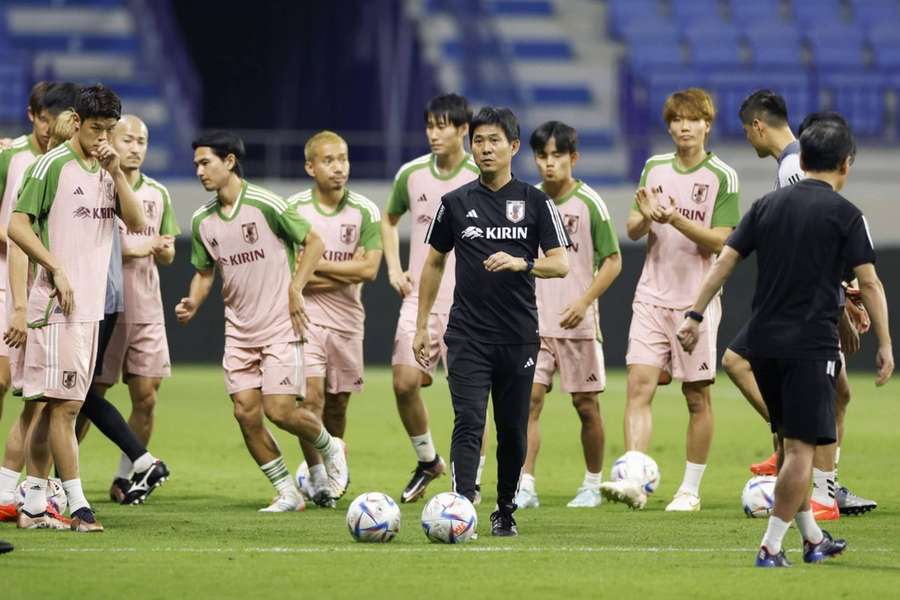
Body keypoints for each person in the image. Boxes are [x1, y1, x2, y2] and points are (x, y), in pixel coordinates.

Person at [677, 112, 893, 567]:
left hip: (762, 346)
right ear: (845, 164)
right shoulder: (845, 215)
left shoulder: (766, 206)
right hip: (808, 348)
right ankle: (771, 546)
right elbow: (870, 284)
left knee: (786, 444)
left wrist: (695, 314)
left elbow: (724, 262)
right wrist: (887, 346)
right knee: (800, 452)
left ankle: (813, 539)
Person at [414, 106, 570, 537]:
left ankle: (505, 508)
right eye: (478, 141)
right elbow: (432, 263)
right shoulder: (455, 203)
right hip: (466, 335)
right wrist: (422, 324)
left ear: (514, 147)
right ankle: (462, 507)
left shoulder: (536, 202)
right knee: (468, 420)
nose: (484, 148)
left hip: (518, 337)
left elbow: (560, 265)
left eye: (494, 141)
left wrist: (522, 263)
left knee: (513, 430)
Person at [176, 130, 348, 511]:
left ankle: (329, 445)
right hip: (238, 332)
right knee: (245, 413)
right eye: (196, 165)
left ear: (230, 162)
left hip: (280, 327)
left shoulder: (265, 204)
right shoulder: (203, 220)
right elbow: (205, 272)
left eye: (206, 163)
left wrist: (296, 287)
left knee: (280, 410)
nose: (200, 171)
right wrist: (193, 301)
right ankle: (288, 492)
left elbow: (315, 242)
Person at [733, 90, 876, 519]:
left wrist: (840, 305)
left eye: (746, 131)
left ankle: (810, 469)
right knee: (837, 392)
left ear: (758, 126)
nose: (747, 140)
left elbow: (817, 242)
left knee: (742, 362)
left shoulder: (795, 169)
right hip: (813, 303)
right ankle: (814, 475)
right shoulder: (790, 166)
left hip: (806, 307)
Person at [11, 84, 147, 532]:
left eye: (109, 129)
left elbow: (137, 222)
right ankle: (77, 503)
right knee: (62, 406)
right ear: (77, 121)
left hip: (90, 308)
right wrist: (55, 268)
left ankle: (32, 504)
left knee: (57, 407)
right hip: (55, 305)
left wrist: (119, 173)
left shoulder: (107, 170)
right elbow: (15, 225)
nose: (102, 138)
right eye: (95, 129)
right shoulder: (52, 166)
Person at [600, 88, 740, 511]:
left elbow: (723, 240)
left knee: (696, 396)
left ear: (707, 125)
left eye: (692, 119)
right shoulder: (654, 167)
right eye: (677, 119)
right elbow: (633, 228)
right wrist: (647, 216)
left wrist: (675, 217)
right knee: (638, 388)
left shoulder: (722, 176)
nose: (684, 126)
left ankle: (690, 490)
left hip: (696, 302)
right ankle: (633, 480)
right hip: (651, 297)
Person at [381, 93, 483, 504]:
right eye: (430, 125)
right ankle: (428, 460)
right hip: (422, 300)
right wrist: (392, 266)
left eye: (444, 126)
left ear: (463, 130)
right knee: (404, 382)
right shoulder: (411, 174)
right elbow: (389, 220)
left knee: (470, 399)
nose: (435, 133)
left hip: (472, 304)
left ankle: (469, 483)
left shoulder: (482, 175)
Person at [515, 121, 621, 509]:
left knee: (586, 406)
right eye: (542, 155)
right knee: (528, 402)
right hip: (534, 324)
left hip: (577, 324)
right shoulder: (527, 201)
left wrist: (583, 301)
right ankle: (525, 484)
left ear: (573, 158)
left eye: (557, 155)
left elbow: (613, 261)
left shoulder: (590, 202)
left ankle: (593, 484)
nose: (549, 163)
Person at [288, 131, 382, 506]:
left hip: (347, 319)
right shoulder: (293, 209)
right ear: (311, 167)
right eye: (329, 160)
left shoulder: (365, 210)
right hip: (305, 318)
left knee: (338, 402)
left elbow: (371, 270)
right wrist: (348, 267)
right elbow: (290, 270)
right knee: (310, 400)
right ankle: (316, 476)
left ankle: (333, 465)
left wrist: (314, 266)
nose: (338, 167)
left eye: (343, 158)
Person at [0, 82, 78, 521]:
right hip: (34, 299)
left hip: (45, 299)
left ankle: (26, 497)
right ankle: (21, 497)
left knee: (43, 403)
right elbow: (15, 239)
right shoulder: (27, 167)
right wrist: (17, 306)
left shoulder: (64, 172)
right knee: (37, 403)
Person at [93, 115, 179, 502]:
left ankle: (126, 477)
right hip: (108, 306)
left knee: (146, 396)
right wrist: (136, 247)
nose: (136, 147)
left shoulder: (159, 193)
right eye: (128, 139)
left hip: (146, 307)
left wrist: (163, 250)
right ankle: (62, 482)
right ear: (111, 139)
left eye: (142, 141)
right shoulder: (97, 182)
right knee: (89, 395)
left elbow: (169, 251)